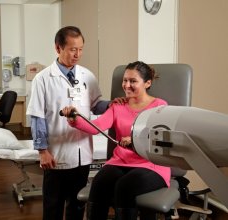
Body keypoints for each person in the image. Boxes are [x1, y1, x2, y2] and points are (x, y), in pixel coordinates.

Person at [61, 61, 171, 220]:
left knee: (124, 187)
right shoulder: (118, 106)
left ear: (147, 83)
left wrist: (135, 140)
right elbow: (96, 126)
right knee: (98, 183)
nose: (127, 85)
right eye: (125, 80)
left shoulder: (160, 106)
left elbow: (161, 139)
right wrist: (75, 118)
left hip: (151, 165)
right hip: (121, 161)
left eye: (133, 81)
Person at [26, 26, 110, 220]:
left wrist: (113, 104)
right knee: (53, 206)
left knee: (77, 204)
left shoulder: (87, 76)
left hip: (82, 153)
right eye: (72, 49)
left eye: (80, 49)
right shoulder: (43, 79)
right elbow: (37, 117)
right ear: (58, 48)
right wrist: (42, 151)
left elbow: (96, 106)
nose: (77, 54)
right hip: (56, 154)